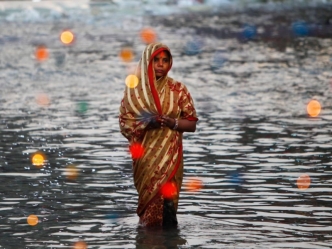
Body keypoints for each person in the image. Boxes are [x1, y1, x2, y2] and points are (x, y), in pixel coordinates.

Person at [119, 42, 198, 227]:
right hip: (146, 160)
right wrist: (148, 123)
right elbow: (125, 123)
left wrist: (173, 123)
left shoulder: (178, 89)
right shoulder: (134, 91)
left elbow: (192, 124)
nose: (161, 64)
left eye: (165, 60)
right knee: (150, 216)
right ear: (147, 62)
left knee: (168, 213)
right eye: (156, 60)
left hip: (171, 159)